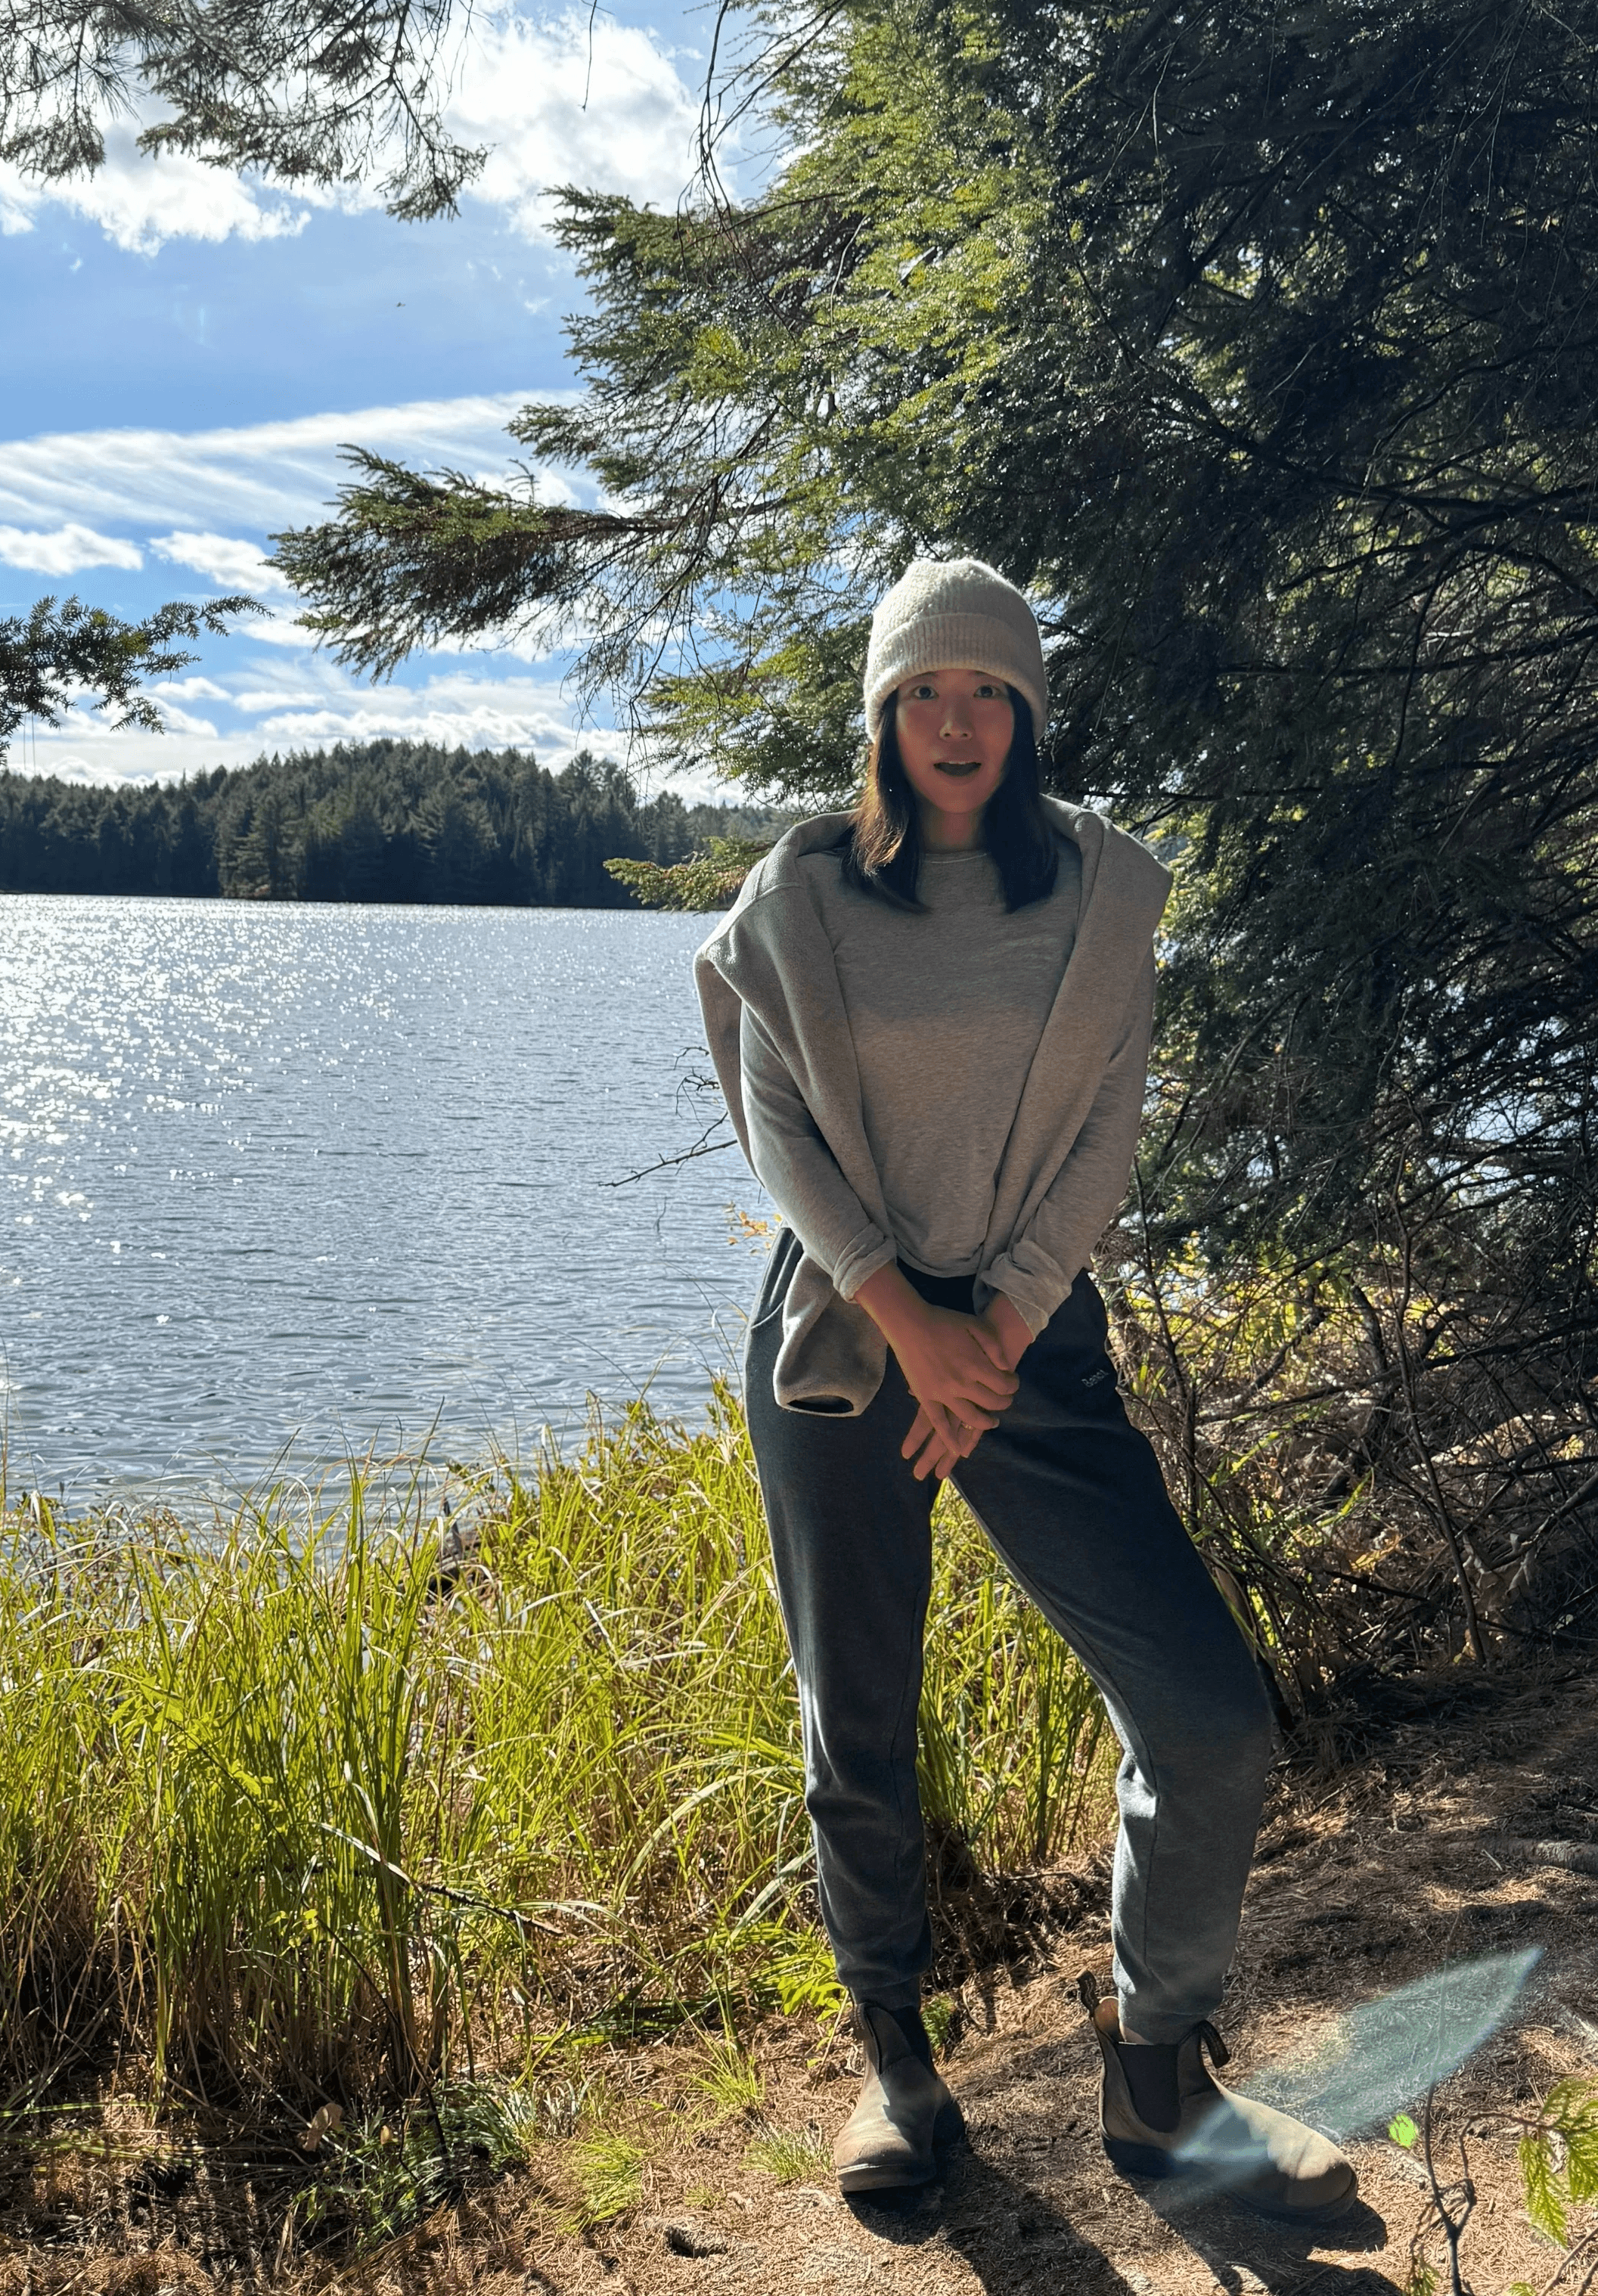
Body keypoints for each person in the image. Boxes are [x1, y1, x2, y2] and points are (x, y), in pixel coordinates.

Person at [694, 559, 1354, 2220]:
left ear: (1030, 711)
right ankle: (898, 2070)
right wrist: (909, 1319)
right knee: (861, 1726)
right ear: (882, 715)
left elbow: (1105, 1132)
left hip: (1033, 1341)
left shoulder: (1101, 897)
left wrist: (994, 1326)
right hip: (844, 1342)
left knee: (1208, 1718)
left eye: (986, 689)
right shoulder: (809, 895)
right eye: (923, 690)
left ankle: (1155, 2076)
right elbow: (774, 1117)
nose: (956, 719)